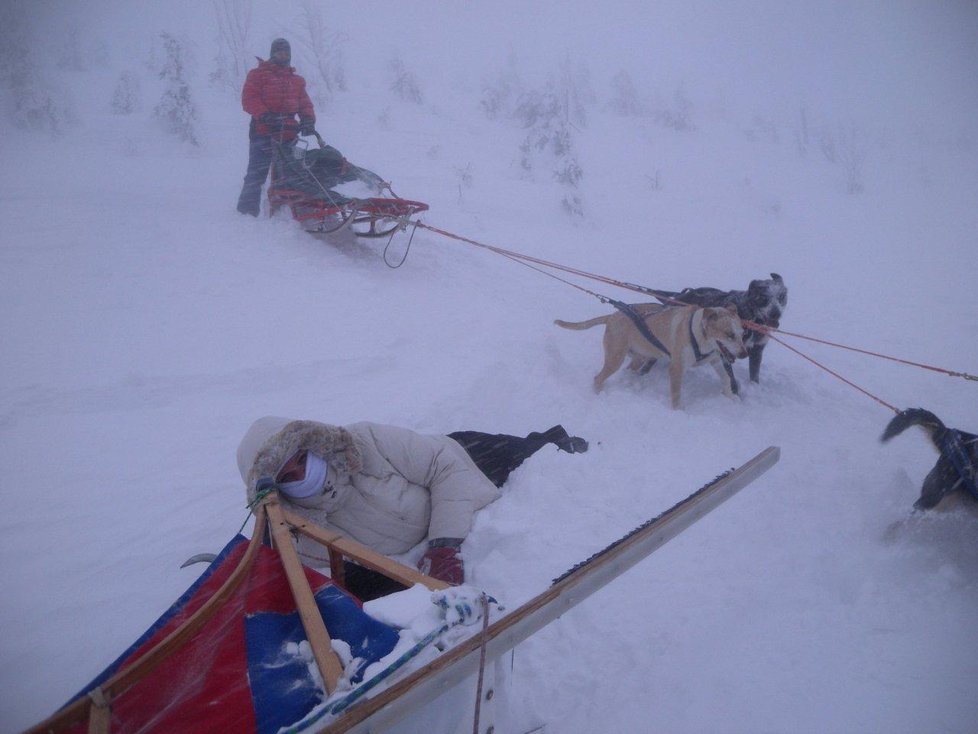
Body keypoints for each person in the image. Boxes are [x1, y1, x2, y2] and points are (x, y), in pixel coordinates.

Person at [236, 417, 588, 595]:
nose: (301, 473)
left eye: (301, 458)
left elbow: (444, 468)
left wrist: (444, 546)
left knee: (535, 451)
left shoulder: (364, 441)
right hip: (438, 497)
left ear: (312, 443)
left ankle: (566, 444)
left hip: (465, 459)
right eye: (288, 474)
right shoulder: (299, 532)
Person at [236, 38, 316, 217]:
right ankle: (246, 212)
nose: (283, 56)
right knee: (257, 173)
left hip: (289, 132)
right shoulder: (258, 75)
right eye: (280, 52)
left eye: (286, 53)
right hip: (263, 131)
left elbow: (304, 103)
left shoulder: (296, 80)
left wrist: (308, 120)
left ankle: (286, 209)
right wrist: (265, 115)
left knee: (293, 171)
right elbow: (249, 99)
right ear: (272, 54)